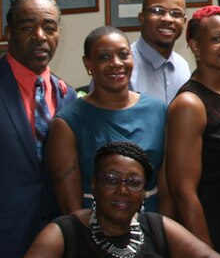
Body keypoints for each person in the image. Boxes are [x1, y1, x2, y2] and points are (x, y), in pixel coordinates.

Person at [26, 141, 220, 258]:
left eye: (134, 182)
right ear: (94, 184)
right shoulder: (65, 232)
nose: (123, 190)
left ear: (144, 190)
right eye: (111, 180)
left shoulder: (156, 226)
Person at [47, 26, 167, 215]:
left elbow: (168, 187)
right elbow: (69, 205)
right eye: (104, 57)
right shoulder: (67, 122)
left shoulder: (158, 110)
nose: (116, 63)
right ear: (88, 64)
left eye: (123, 55)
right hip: (93, 225)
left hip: (151, 222)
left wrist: (160, 234)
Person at [165, 6, 220, 256]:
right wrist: (205, 250)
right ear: (195, 46)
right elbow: (183, 191)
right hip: (210, 226)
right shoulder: (190, 104)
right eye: (216, 39)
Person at [0, 0, 77, 258]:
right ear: (8, 33)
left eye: (49, 27)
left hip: (59, 238)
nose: (40, 36)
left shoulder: (67, 95)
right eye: (27, 27)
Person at [129, 0, 192, 106]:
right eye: (157, 11)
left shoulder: (182, 66)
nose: (167, 19)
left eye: (175, 14)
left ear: (184, 22)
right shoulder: (121, 67)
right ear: (141, 17)